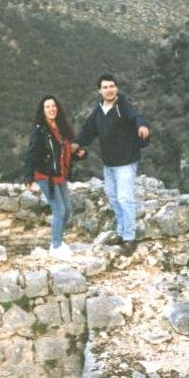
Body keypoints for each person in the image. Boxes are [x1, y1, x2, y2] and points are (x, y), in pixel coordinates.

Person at [73, 74, 150, 256]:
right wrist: (77, 144)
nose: (109, 90)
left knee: (124, 198)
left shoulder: (123, 106)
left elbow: (136, 117)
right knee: (113, 197)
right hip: (109, 163)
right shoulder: (99, 111)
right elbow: (88, 131)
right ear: (100, 90)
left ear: (116, 88)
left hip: (126, 161)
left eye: (112, 86)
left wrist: (142, 127)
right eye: (105, 87)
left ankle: (130, 238)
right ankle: (122, 233)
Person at [24, 95, 78, 260]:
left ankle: (59, 243)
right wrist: (28, 177)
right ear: (42, 110)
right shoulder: (40, 130)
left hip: (60, 175)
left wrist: (80, 153)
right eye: (47, 107)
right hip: (45, 176)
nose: (51, 109)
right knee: (59, 210)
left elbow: (65, 152)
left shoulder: (62, 127)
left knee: (67, 210)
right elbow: (32, 153)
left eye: (53, 106)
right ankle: (55, 247)